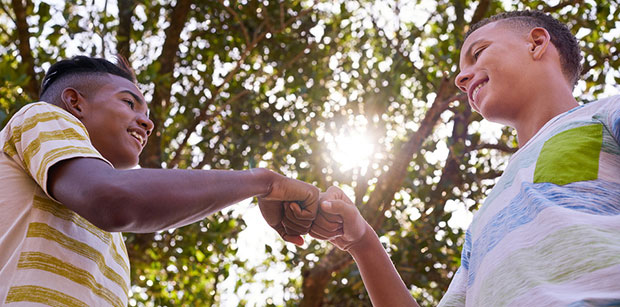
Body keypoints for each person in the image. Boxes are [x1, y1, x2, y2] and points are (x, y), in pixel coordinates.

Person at [308, 10, 620, 307]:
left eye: (478, 52)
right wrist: (362, 242)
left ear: (536, 44)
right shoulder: (483, 222)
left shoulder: (604, 114)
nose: (461, 78)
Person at [0, 56, 319, 306]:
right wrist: (263, 182)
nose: (147, 122)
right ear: (75, 103)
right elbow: (116, 201)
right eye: (129, 103)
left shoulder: (109, 243)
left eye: (147, 112)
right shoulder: (42, 117)